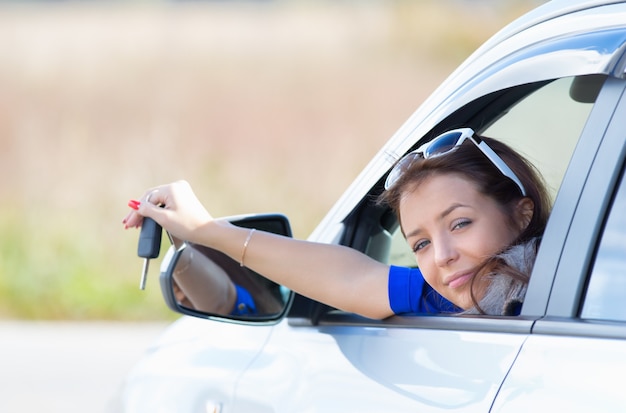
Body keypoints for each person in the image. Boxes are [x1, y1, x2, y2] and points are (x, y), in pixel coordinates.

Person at [122, 128, 550, 318]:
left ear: (521, 213)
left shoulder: (572, 294)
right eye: (419, 244)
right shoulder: (452, 292)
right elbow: (346, 279)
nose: (442, 256)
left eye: (459, 224)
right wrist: (205, 232)